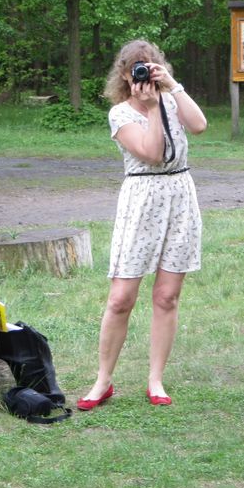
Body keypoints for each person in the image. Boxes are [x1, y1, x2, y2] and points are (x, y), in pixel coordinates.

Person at [77, 39, 207, 409]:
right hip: (141, 200)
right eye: (136, 67)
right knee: (121, 299)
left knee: (166, 296)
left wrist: (173, 88)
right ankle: (103, 381)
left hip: (180, 197)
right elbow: (151, 154)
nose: (143, 73)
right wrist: (151, 108)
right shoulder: (120, 114)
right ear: (123, 75)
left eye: (149, 65)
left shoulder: (170, 99)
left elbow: (199, 126)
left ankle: (156, 380)